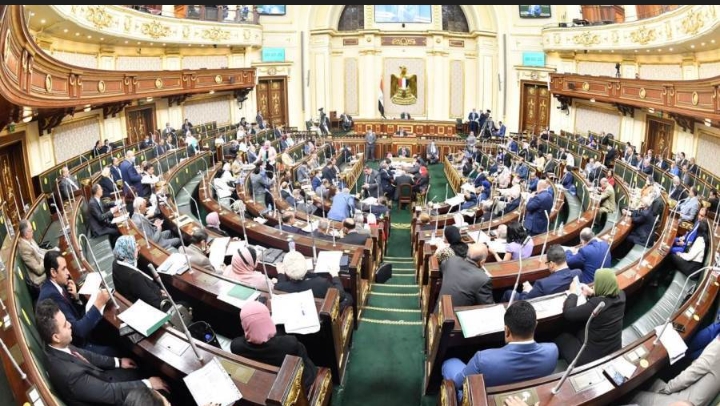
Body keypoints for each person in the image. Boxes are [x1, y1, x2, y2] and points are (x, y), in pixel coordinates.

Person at [35, 299, 169, 406]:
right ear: (56, 337)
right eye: (65, 325)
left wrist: (118, 362)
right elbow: (112, 393)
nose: (70, 325)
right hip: (107, 396)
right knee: (160, 394)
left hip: (101, 380)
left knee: (136, 366)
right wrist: (148, 384)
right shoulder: (70, 376)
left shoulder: (55, 345)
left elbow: (87, 355)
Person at [442, 301, 558, 396]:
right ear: (535, 325)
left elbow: (459, 384)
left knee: (450, 362)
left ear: (507, 330)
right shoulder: (552, 351)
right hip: (528, 397)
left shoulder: (482, 359)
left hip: (485, 400)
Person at [37, 251, 114, 355]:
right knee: (115, 349)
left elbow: (72, 314)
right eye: (64, 269)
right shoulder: (52, 296)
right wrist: (98, 303)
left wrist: (76, 297)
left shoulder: (56, 286)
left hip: (82, 335)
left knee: (108, 328)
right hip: (79, 346)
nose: (68, 273)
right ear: (53, 272)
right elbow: (79, 331)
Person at [231, 301, 317, 391]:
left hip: (266, 386)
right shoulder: (290, 344)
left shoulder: (236, 346)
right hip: (297, 387)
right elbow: (307, 369)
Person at [555, 268, 625, 366]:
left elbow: (568, 313)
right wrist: (592, 293)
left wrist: (573, 293)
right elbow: (607, 299)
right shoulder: (621, 295)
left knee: (561, 338)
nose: (594, 285)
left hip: (592, 356)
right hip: (613, 348)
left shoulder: (597, 304)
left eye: (597, 283)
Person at [628, 335, 720, 406]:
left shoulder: (717, 348)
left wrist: (667, 389)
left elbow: (690, 375)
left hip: (681, 401)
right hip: (689, 397)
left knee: (631, 396)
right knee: (647, 381)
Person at [502, 245, 581, 302]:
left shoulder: (542, 284)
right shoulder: (577, 273)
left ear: (551, 264)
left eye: (547, 263)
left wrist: (526, 290)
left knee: (508, 293)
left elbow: (524, 302)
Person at [275, 251, 352, 309]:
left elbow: (282, 286)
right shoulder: (321, 283)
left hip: (305, 312)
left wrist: (281, 274)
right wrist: (335, 276)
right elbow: (341, 296)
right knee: (348, 296)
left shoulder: (281, 287)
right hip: (325, 312)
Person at [112, 236, 166, 310]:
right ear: (129, 251)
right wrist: (163, 296)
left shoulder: (116, 262)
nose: (138, 248)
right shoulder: (134, 276)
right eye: (135, 247)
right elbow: (154, 302)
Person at [437, 242, 493, 308]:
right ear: (482, 262)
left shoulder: (451, 261)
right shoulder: (483, 279)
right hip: (455, 314)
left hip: (438, 311)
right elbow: (488, 307)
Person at [18, 219, 57, 287]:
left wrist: (53, 250)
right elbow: (39, 270)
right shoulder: (24, 249)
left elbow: (40, 251)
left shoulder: (29, 239)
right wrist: (48, 257)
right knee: (59, 267)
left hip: (45, 265)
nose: (33, 231)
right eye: (31, 230)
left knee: (59, 256)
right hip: (41, 279)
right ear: (26, 234)